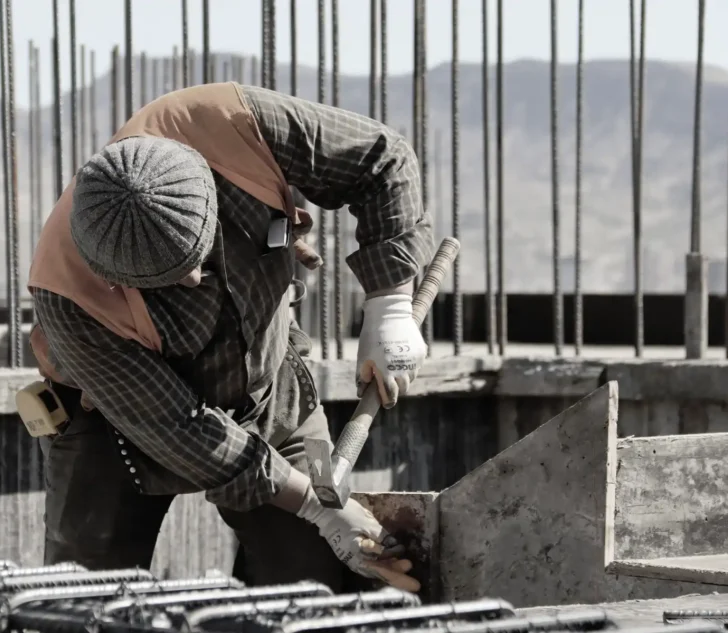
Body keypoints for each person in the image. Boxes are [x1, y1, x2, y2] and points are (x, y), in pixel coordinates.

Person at [25, 82, 432, 593]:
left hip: (272, 390)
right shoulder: (68, 296)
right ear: (108, 272)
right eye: (167, 281)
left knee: (317, 577)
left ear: (209, 193)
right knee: (83, 601)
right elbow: (184, 430)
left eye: (197, 256)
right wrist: (315, 504)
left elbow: (383, 160)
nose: (195, 279)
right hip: (117, 423)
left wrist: (390, 304)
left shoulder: (234, 123)